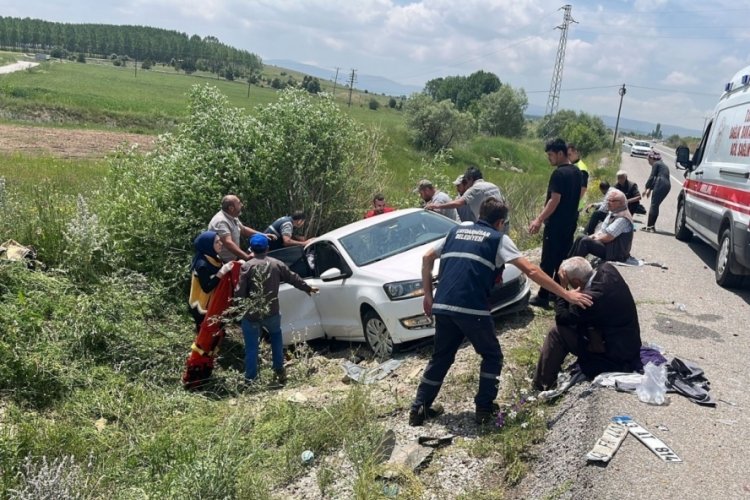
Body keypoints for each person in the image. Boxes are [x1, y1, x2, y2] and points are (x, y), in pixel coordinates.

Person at [409, 198, 592, 426]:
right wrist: (567, 295)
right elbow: (532, 270)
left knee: (441, 356)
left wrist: (428, 295)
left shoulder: (455, 232)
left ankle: (419, 409)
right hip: (471, 306)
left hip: (443, 305)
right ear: (500, 223)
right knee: (492, 355)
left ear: (479, 216)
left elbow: (427, 257)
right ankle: (484, 410)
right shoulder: (498, 239)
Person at [532, 257, 642, 391]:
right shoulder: (608, 269)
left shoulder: (591, 299)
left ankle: (542, 385)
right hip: (629, 341)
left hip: (616, 355)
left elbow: (561, 318)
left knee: (557, 333)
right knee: (574, 323)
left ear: (577, 282)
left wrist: (563, 289)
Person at [235, 234, 319, 384]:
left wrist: (238, 308)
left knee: (252, 346)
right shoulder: (276, 264)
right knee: (276, 339)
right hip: (272, 311)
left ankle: (250, 379)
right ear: (267, 248)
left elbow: (239, 292)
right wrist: (307, 288)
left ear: (251, 250)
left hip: (252, 314)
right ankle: (279, 369)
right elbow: (293, 277)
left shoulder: (247, 267)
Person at [528, 138, 582, 309]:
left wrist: (539, 219)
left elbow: (554, 200)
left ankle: (544, 296)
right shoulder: (577, 172)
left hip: (556, 224)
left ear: (560, 153)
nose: (549, 158)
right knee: (562, 260)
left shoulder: (559, 174)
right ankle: (557, 294)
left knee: (547, 262)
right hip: (569, 223)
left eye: (550, 155)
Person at [570, 190, 634, 263]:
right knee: (581, 237)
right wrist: (591, 237)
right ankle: (568, 262)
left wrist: (592, 239)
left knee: (585, 242)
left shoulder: (623, 218)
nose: (608, 203)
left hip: (616, 253)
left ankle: (574, 267)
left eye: (611, 201)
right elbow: (602, 231)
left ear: (620, 203)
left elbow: (608, 237)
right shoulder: (613, 211)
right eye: (608, 200)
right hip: (609, 247)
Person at [187, 231, 234, 331]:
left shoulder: (213, 256)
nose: (221, 243)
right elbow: (206, 288)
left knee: (216, 328)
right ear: (208, 245)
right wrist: (221, 273)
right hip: (200, 306)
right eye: (217, 242)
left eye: (220, 241)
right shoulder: (202, 265)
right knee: (204, 331)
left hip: (212, 301)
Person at [208, 195, 274, 262]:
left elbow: (243, 230)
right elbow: (228, 243)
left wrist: (263, 235)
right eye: (239, 203)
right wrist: (247, 257)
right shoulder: (221, 221)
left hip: (234, 259)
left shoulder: (232, 216)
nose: (241, 205)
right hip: (224, 262)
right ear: (231, 208)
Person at [427, 166, 503, 222]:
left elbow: (458, 203)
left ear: (471, 179)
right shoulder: (493, 186)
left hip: (490, 224)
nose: (466, 185)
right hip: (502, 222)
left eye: (466, 181)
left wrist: (437, 205)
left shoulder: (475, 189)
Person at [643, 150, 672, 232]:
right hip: (666, 185)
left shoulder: (656, 164)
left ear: (652, 158)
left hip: (661, 183)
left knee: (654, 205)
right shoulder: (662, 164)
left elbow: (652, 177)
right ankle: (651, 226)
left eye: (648, 159)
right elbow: (657, 178)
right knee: (655, 205)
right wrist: (650, 189)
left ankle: (650, 227)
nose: (648, 161)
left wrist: (646, 188)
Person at [567, 143, 589, 211]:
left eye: (569, 154)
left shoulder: (581, 168)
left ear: (575, 152)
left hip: (575, 205)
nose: (568, 157)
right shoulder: (573, 165)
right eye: (567, 155)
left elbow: (583, 188)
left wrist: (574, 202)